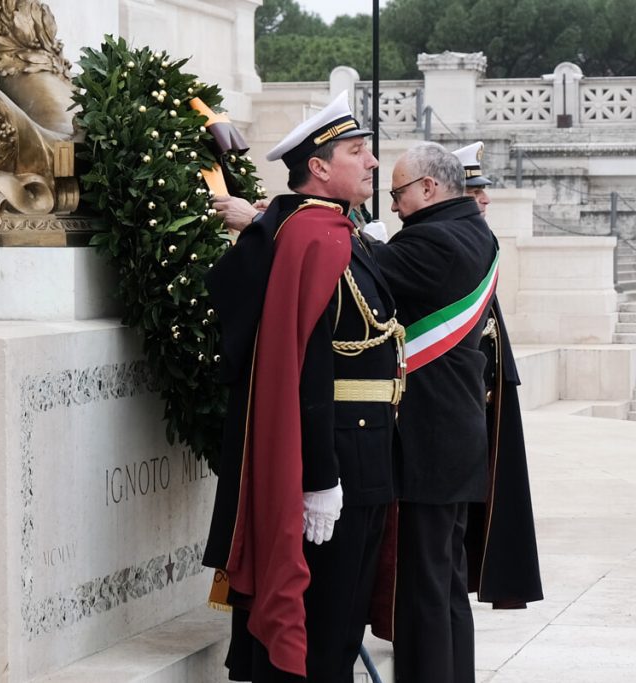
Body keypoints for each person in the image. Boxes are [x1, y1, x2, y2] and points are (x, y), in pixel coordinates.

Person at [203, 91, 403, 682]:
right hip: (338, 460)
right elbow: (305, 365)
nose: (371, 163)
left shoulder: (337, 233)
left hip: (367, 456)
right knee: (322, 636)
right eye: (357, 152)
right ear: (319, 168)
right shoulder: (313, 237)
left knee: (341, 632)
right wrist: (319, 479)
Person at [369, 142, 499, 683]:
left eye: (397, 193)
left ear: (428, 188)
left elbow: (362, 268)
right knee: (445, 583)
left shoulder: (435, 240)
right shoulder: (475, 232)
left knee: (424, 585)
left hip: (429, 440)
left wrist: (264, 218)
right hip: (456, 435)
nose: (394, 206)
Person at [450, 142, 543, 612]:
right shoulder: (453, 243)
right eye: (472, 190)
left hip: (488, 389)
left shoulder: (476, 240)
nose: (484, 199)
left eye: (482, 190)